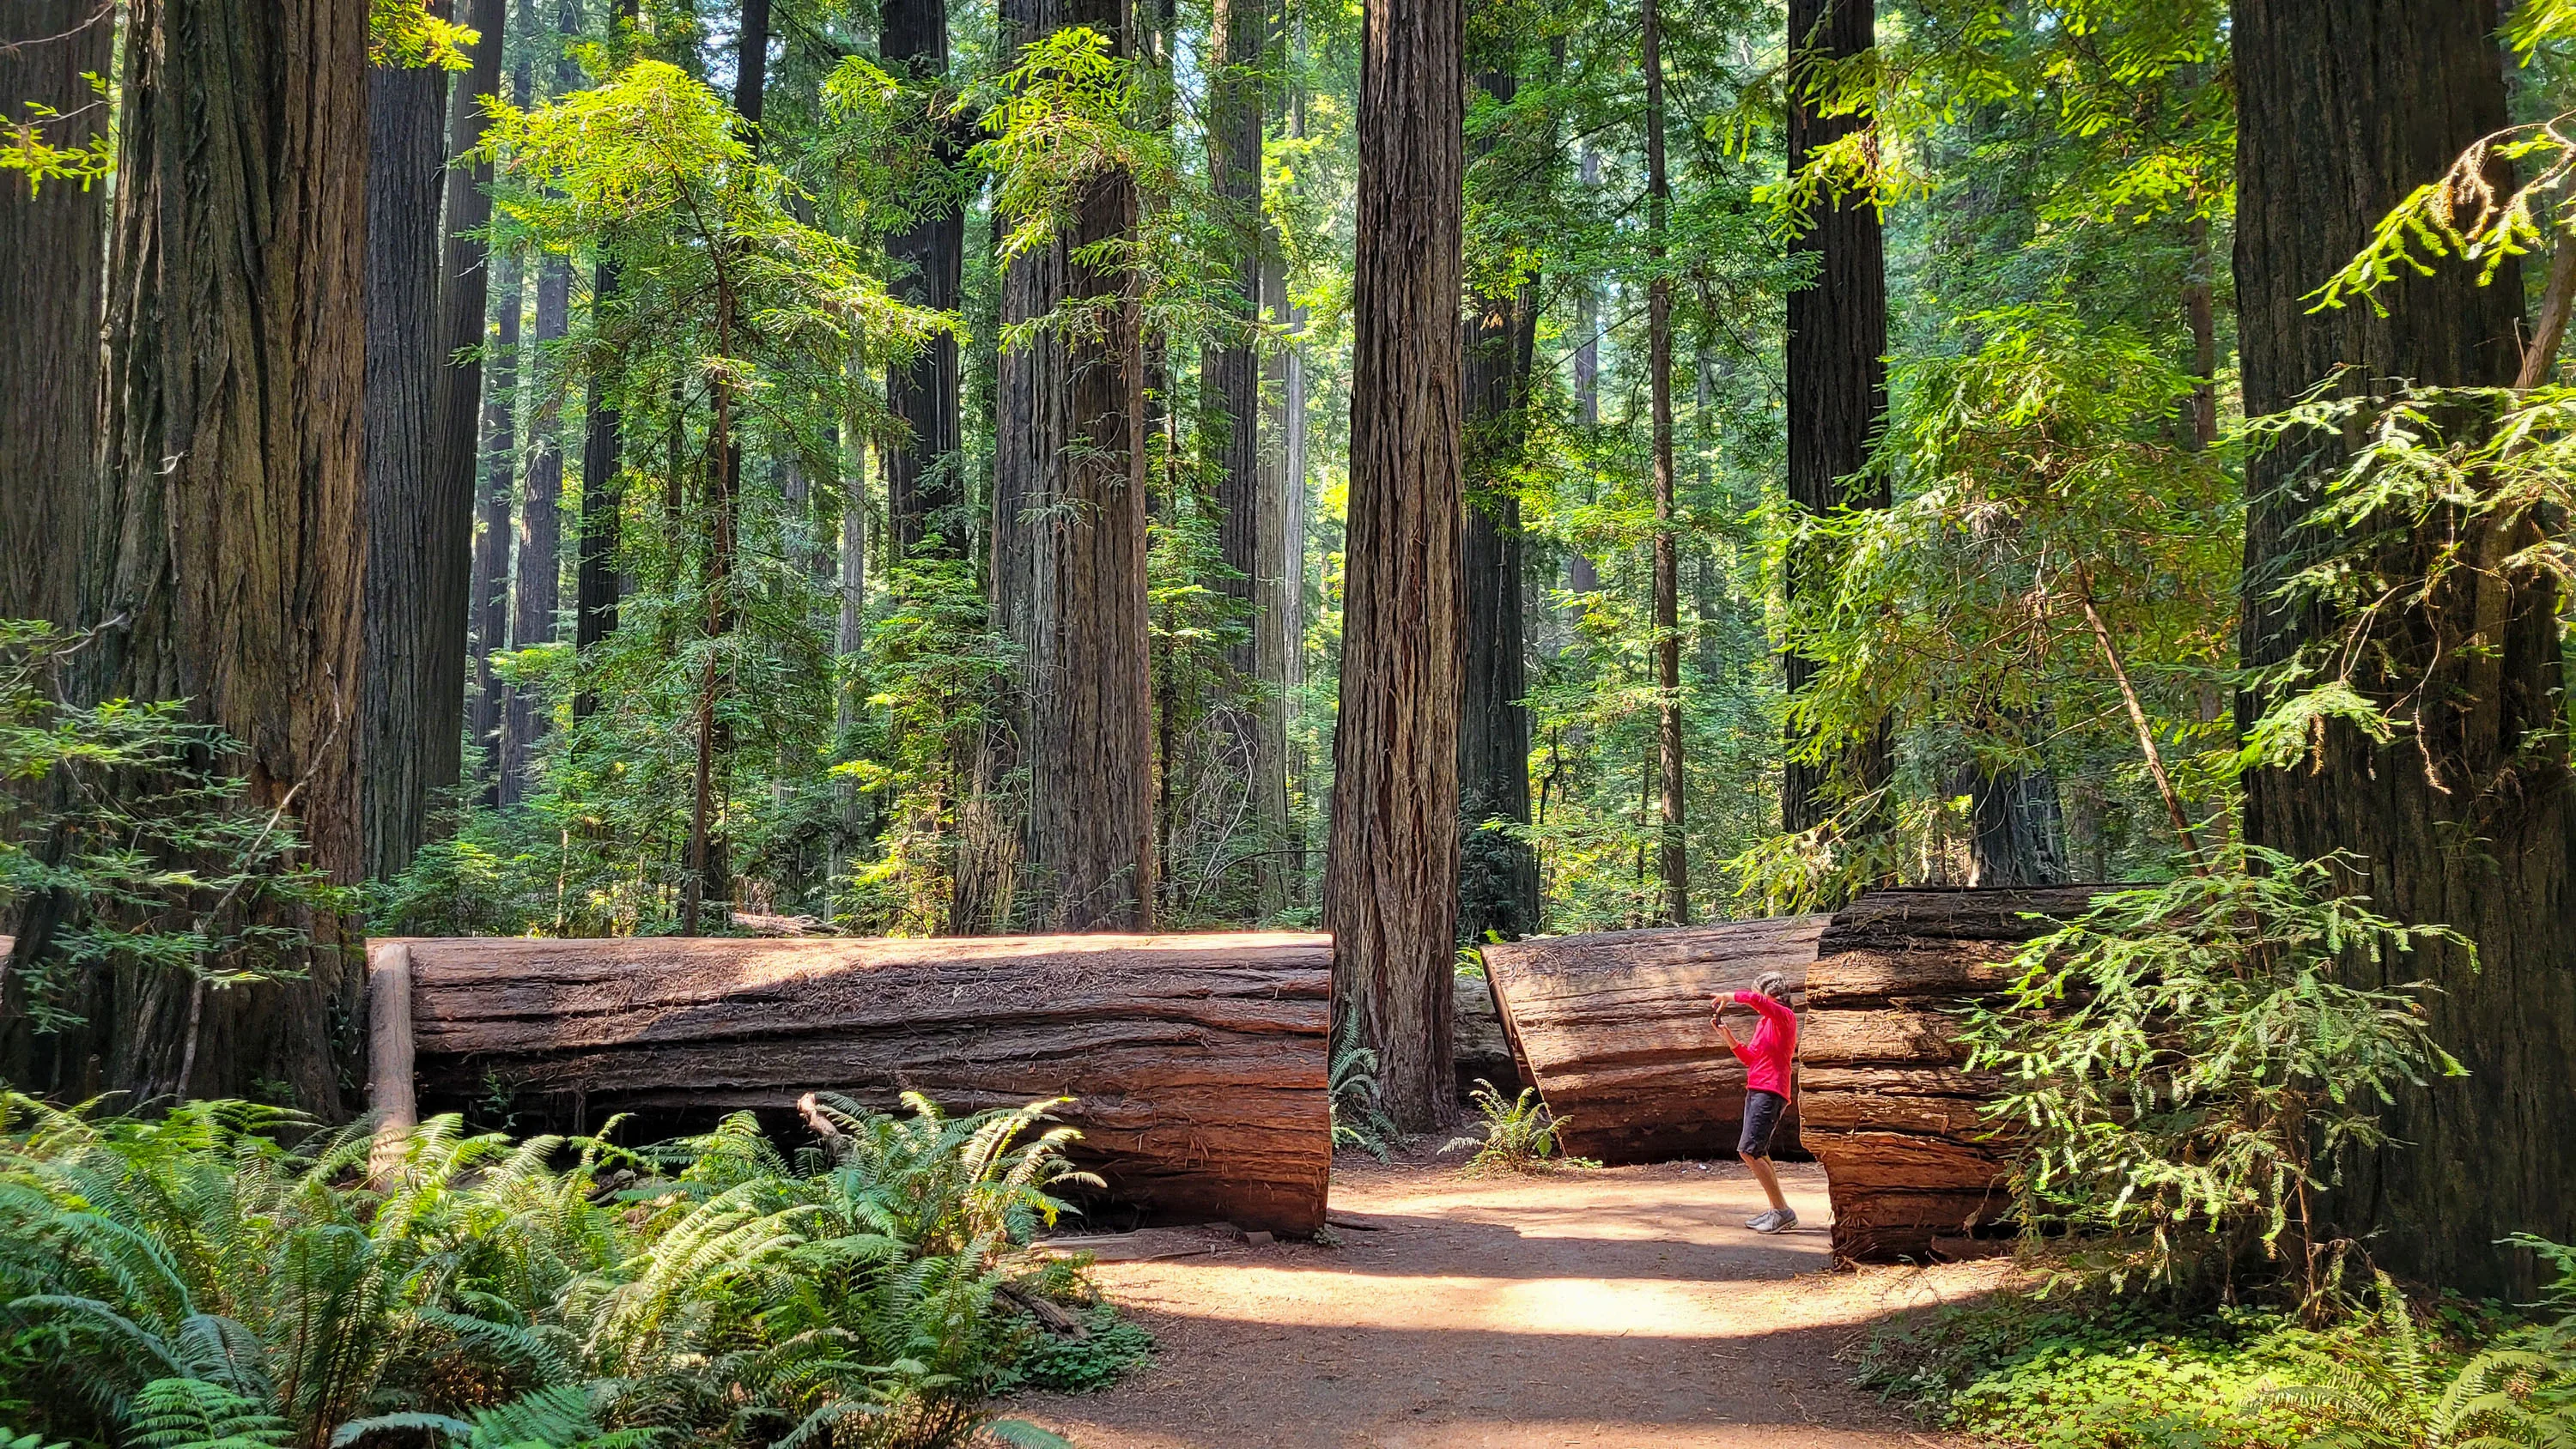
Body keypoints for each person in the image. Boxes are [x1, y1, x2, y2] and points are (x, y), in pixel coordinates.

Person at [1711, 970, 1798, 1234]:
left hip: (1771, 1090)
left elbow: (1758, 1002)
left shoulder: (1784, 1017)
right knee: (1756, 1150)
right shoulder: (1765, 1023)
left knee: (1749, 1150)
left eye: (1757, 994)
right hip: (1758, 1087)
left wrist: (1731, 995)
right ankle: (1777, 1209)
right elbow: (1752, 1059)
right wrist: (1729, 1039)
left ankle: (1782, 1211)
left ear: (1769, 995)